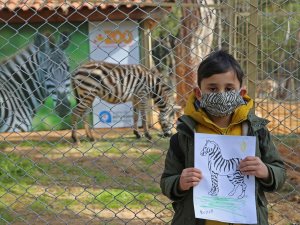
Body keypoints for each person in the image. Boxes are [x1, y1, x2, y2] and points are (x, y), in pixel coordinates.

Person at [160, 50, 286, 225]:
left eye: (229, 89)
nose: (220, 94)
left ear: (241, 94)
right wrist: (180, 182)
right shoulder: (184, 135)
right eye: (212, 88)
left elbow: (279, 173)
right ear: (198, 93)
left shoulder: (257, 131)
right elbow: (167, 181)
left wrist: (265, 171)